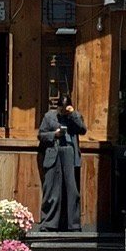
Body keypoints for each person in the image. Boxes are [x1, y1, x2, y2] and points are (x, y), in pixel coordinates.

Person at [36, 97, 86, 230]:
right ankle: (48, 223)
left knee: (72, 190)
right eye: (61, 109)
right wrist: (54, 134)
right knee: (52, 189)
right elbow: (41, 135)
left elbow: (82, 129)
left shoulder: (74, 116)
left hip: (70, 152)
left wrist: (73, 114)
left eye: (65, 109)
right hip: (54, 151)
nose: (63, 112)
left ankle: (73, 225)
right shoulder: (49, 116)